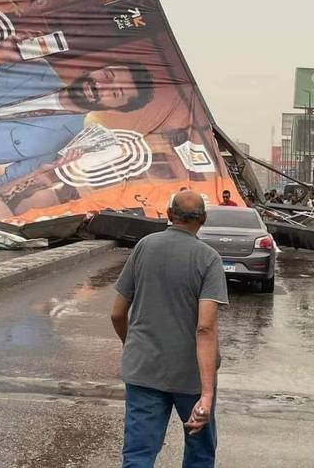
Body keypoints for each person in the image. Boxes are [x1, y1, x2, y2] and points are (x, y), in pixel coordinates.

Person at [0, 51, 153, 202]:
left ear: (114, 109)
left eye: (115, 93)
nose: (101, 86)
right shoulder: (33, 67)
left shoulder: (65, 145)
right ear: (99, 68)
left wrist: (40, 173)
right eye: (107, 75)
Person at [111, 191, 228, 467]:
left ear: (169, 215)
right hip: (192, 376)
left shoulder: (144, 247)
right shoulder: (208, 259)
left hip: (144, 370)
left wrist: (133, 346)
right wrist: (207, 394)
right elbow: (205, 328)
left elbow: (117, 313)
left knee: (138, 455)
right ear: (204, 219)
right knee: (199, 455)